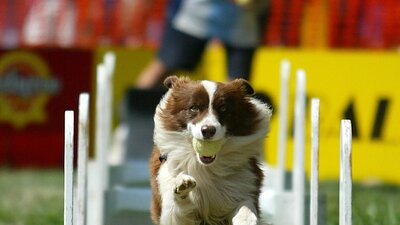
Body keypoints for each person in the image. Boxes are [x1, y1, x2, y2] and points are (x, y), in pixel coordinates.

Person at [136, 0, 268, 88]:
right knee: (162, 68)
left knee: (237, 87)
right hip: (196, 14)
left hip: (244, 22)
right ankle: (129, 121)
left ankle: (227, 129)